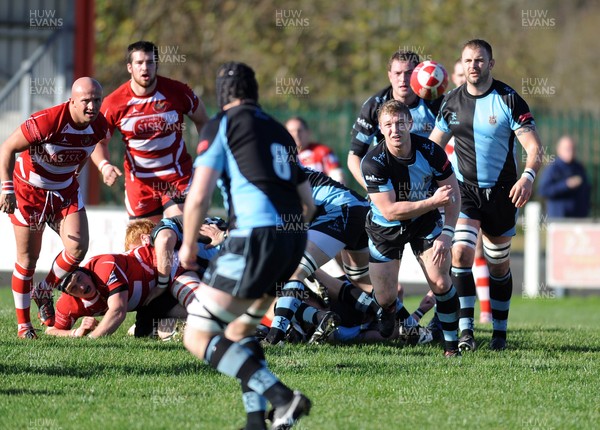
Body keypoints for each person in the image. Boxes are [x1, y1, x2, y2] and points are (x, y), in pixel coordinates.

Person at [178, 62, 315, 430]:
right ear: (254, 91)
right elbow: (309, 203)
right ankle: (257, 422)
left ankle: (283, 399)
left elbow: (199, 197)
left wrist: (188, 246)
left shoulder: (220, 125)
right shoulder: (279, 130)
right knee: (239, 331)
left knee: (197, 334)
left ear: (221, 95)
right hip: (292, 241)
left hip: (255, 237)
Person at [429, 39, 543, 351]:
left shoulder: (509, 99)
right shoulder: (451, 102)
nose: (473, 66)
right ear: (461, 64)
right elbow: (433, 146)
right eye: (468, 61)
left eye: (479, 61)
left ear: (491, 64)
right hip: (465, 192)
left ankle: (499, 333)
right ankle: (466, 331)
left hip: (504, 194)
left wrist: (528, 177)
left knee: (497, 265)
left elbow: (533, 147)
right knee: (461, 254)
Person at [0, 77, 108, 339]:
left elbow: (86, 151)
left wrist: (99, 168)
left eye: (97, 100)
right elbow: (7, 148)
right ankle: (24, 326)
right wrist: (6, 188)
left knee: (78, 248)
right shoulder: (47, 121)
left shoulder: (99, 125)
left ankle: (45, 289)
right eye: (86, 101)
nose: (92, 106)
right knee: (27, 260)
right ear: (72, 101)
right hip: (29, 191)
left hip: (64, 191)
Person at [361, 99, 461, 357]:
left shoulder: (431, 150)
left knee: (440, 280)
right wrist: (432, 201)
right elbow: (390, 211)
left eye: (400, 123)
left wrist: (448, 234)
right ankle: (388, 309)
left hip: (424, 221)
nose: (395, 129)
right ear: (380, 129)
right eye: (388, 125)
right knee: (385, 297)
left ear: (410, 123)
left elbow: (454, 193)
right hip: (386, 228)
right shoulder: (373, 162)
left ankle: (452, 347)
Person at [91, 41, 209, 223]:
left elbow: (203, 121)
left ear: (157, 65)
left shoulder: (177, 92)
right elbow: (99, 142)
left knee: (179, 232)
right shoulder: (113, 102)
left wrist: (205, 158)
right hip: (140, 184)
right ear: (129, 67)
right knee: (142, 245)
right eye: (139, 63)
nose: (145, 68)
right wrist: (104, 166)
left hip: (176, 177)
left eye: (150, 62)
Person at [263, 165, 371, 345]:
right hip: (356, 206)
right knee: (362, 282)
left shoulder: (266, 177)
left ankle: (275, 337)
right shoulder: (275, 168)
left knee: (295, 271)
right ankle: (403, 322)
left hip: (340, 211)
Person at [45, 241, 200, 338]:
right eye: (73, 287)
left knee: (203, 308)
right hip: (151, 302)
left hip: (168, 268)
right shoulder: (68, 303)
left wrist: (92, 338)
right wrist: (75, 333)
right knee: (147, 333)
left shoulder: (104, 266)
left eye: (79, 278)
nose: (81, 286)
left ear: (83, 269)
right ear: (68, 293)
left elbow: (118, 311)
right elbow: (51, 332)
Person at [440, 58, 492, 325]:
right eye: (458, 73)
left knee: (479, 251)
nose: (463, 77)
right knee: (453, 253)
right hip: (448, 190)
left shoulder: (486, 107)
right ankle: (456, 314)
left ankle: (485, 309)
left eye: (466, 73)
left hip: (478, 190)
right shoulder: (447, 108)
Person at [347, 50, 443, 188]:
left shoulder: (436, 102)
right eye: (398, 73)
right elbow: (354, 157)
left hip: (431, 183)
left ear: (419, 75)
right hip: (390, 183)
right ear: (390, 76)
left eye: (409, 73)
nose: (403, 79)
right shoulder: (374, 106)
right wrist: (373, 188)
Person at [538, 135, 591, 218]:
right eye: (567, 149)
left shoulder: (579, 168)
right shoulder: (552, 168)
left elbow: (586, 190)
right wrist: (566, 185)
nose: (571, 151)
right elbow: (543, 190)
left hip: (578, 219)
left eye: (573, 149)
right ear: (559, 150)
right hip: (559, 219)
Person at [285, 116, 346, 184]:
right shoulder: (281, 155)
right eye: (291, 131)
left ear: (308, 132)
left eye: (299, 130)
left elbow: (338, 178)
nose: (296, 134)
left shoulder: (323, 152)